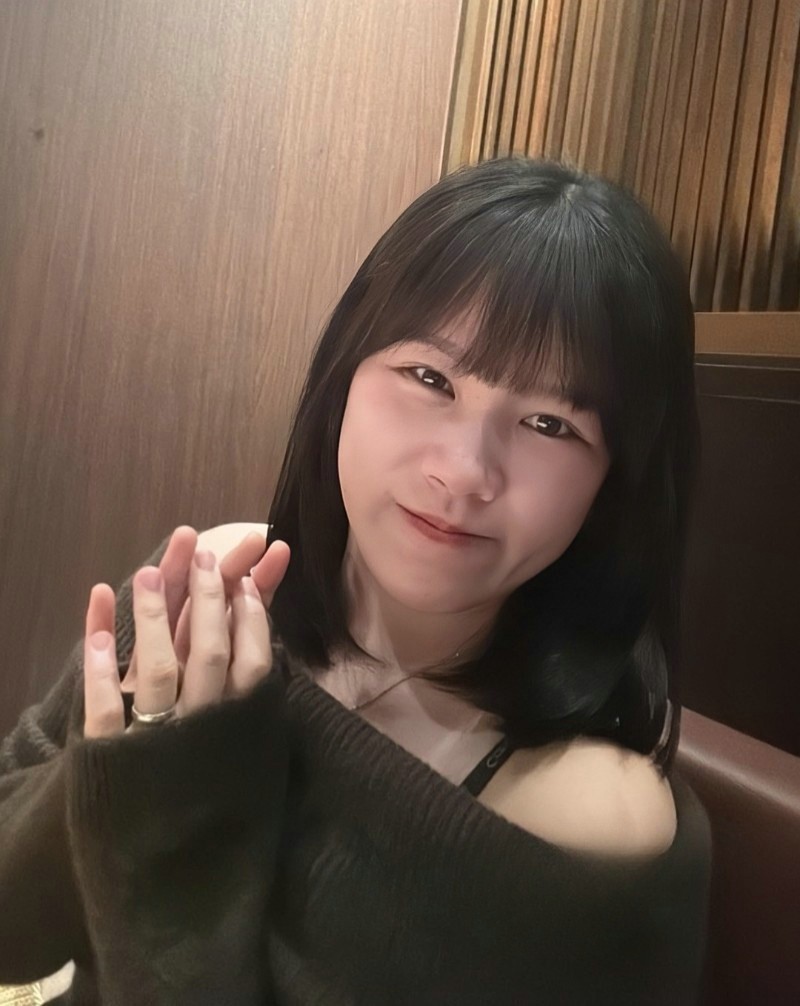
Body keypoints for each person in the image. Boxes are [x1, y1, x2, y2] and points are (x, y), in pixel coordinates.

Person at [0, 157, 711, 1004]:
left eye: (550, 424)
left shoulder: (582, 817)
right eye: (430, 379)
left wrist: (169, 808)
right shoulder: (222, 592)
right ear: (345, 375)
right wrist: (124, 757)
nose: (463, 471)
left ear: (615, 486)